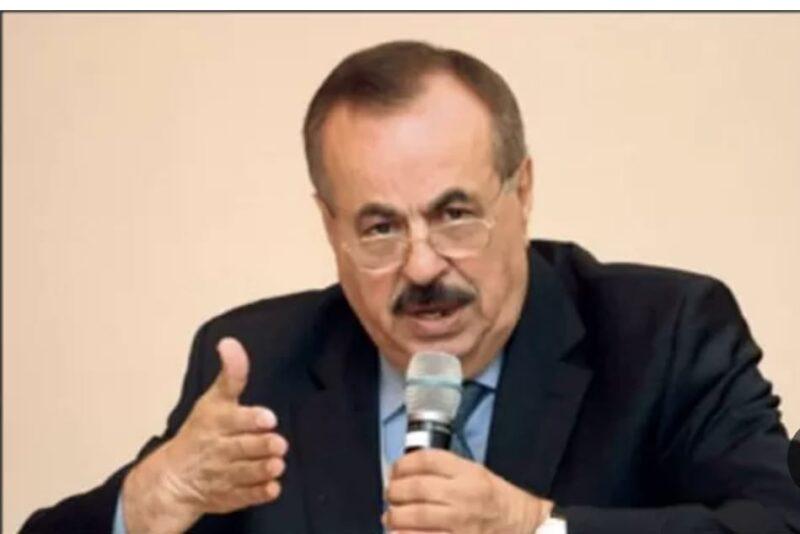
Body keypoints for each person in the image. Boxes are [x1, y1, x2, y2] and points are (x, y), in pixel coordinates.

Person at [21, 40, 800, 534]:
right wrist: (146, 505)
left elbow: (774, 524)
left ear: (523, 192)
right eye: (380, 228)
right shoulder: (260, 367)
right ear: (330, 226)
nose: (422, 267)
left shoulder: (665, 334)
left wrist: (533, 527)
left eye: (454, 215)